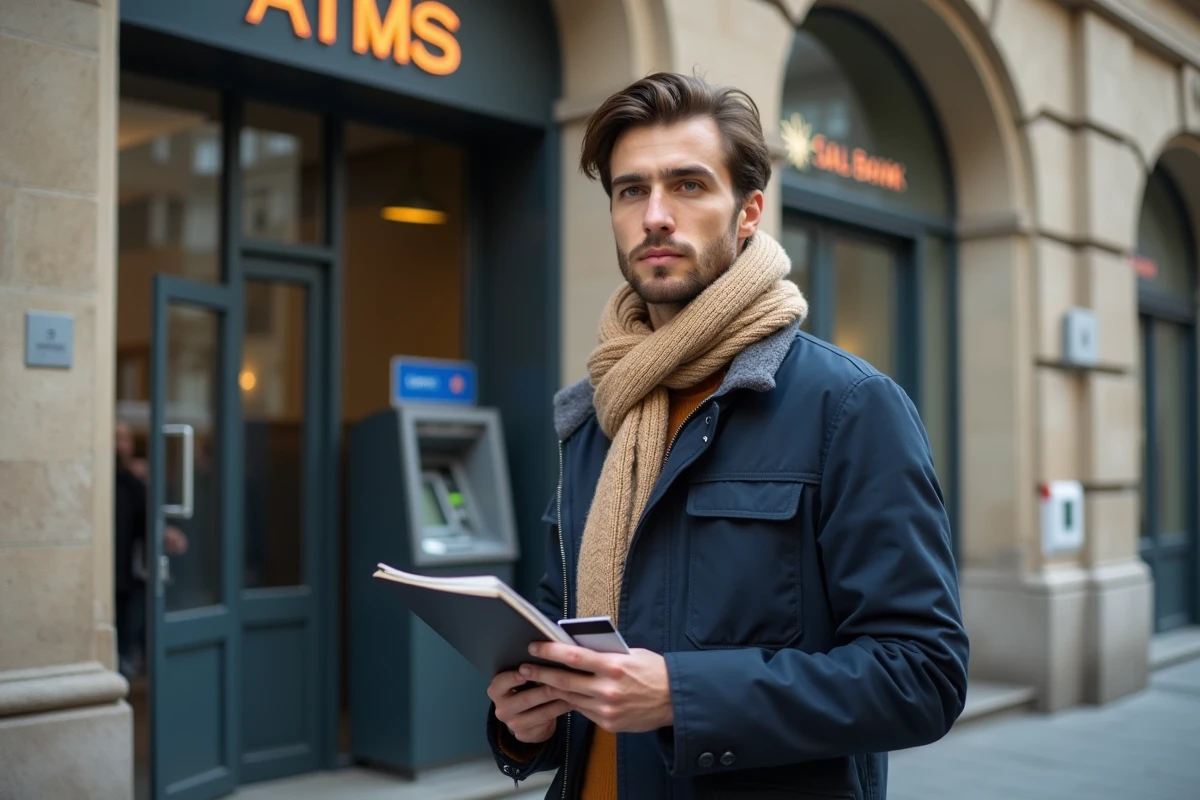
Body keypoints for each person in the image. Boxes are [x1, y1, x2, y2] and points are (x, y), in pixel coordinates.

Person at [485, 72, 969, 799]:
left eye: (688, 185)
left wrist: (683, 696)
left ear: (749, 213)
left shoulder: (849, 406)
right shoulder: (595, 417)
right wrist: (526, 723)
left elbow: (923, 675)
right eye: (631, 191)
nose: (655, 216)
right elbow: (564, 635)